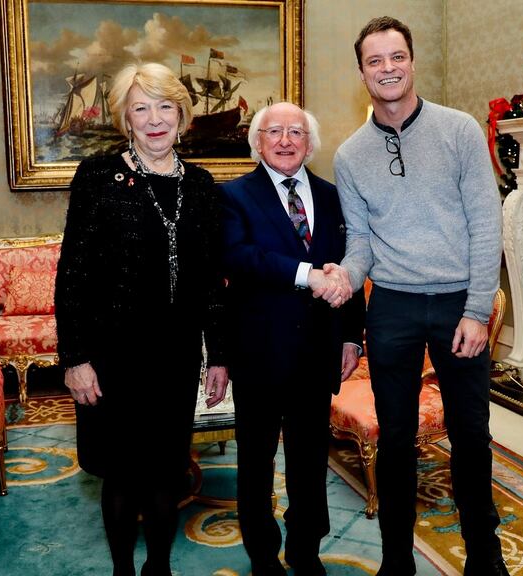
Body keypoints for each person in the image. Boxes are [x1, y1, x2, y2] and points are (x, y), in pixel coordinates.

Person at [332, 16, 508, 576]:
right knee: (397, 439)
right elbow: (359, 243)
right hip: (394, 308)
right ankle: (395, 561)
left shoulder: (458, 131)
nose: (388, 68)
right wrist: (342, 273)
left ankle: (485, 556)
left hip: (460, 302)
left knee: (471, 437)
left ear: (412, 61)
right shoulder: (349, 155)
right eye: (375, 61)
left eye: (396, 57)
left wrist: (478, 310)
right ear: (362, 72)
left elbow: (487, 224)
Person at [54, 62, 228, 576]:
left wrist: (218, 354)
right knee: (122, 473)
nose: (155, 119)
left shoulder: (200, 185)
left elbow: (211, 281)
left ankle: (158, 566)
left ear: (182, 115)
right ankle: (123, 570)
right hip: (111, 357)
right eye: (141, 108)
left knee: (167, 471)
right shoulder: (98, 176)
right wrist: (74, 358)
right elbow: (72, 277)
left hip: (174, 356)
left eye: (165, 106)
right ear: (126, 120)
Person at [215, 102, 365, 576]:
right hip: (258, 353)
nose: (285, 140)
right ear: (257, 142)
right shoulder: (233, 196)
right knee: (256, 463)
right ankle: (262, 554)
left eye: (295, 132)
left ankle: (306, 549)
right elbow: (238, 257)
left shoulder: (333, 195)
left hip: (317, 353)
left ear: (310, 143)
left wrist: (351, 337)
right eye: (274, 131)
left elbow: (352, 265)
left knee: (309, 462)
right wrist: (306, 275)